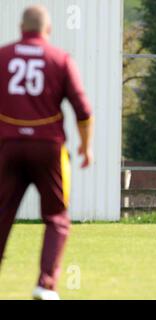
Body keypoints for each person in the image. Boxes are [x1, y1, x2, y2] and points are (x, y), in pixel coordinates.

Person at [0, 5, 93, 300]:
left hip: (7, 145)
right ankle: (46, 284)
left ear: (20, 28)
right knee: (56, 216)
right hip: (49, 148)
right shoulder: (60, 59)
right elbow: (84, 111)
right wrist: (85, 147)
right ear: (48, 29)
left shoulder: (2, 56)